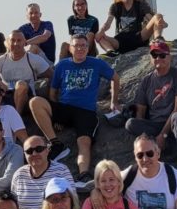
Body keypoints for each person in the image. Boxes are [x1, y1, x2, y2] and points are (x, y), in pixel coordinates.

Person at [29, 33, 120, 181]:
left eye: (83, 45)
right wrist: (54, 118)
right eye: (76, 45)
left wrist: (114, 101)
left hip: (86, 112)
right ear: (70, 48)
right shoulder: (62, 65)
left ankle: (83, 174)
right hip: (65, 108)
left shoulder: (97, 63)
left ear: (88, 47)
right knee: (35, 102)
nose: (80, 49)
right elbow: (53, 92)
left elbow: (115, 78)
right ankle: (56, 144)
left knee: (84, 142)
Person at [125, 40, 177, 168]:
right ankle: (159, 148)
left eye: (162, 55)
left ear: (170, 56)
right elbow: (140, 110)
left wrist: (162, 136)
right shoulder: (146, 80)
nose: (158, 58)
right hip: (156, 126)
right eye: (154, 55)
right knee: (131, 124)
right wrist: (146, 138)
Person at [9, 136, 73, 209]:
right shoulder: (19, 175)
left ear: (47, 150)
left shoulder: (61, 171)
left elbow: (72, 203)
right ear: (24, 155)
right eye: (29, 151)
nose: (34, 154)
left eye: (39, 149)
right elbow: (14, 208)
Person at [0, 29, 53, 117]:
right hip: (6, 95)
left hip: (26, 97)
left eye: (19, 40)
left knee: (21, 84)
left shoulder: (33, 59)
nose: (16, 43)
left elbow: (52, 75)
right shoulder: (1, 60)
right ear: (8, 42)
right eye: (13, 40)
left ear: (24, 42)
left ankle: (16, 117)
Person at [95, 0, 167, 55]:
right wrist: (101, 31)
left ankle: (158, 41)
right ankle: (111, 52)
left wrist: (159, 22)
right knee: (99, 36)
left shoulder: (140, 5)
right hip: (120, 41)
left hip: (138, 37)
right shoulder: (115, 6)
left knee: (157, 16)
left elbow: (151, 19)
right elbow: (108, 23)